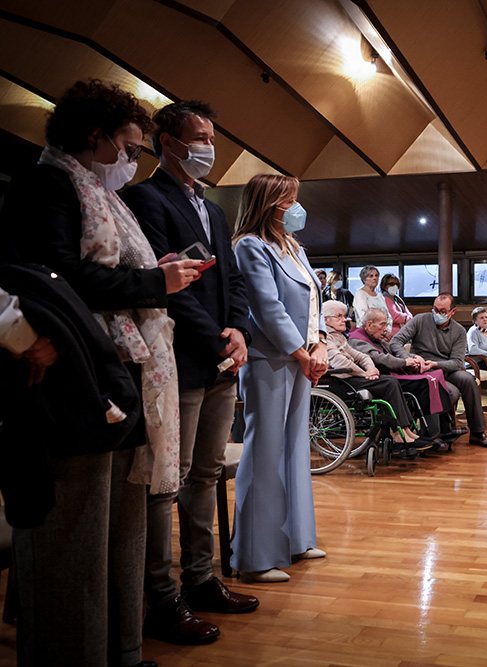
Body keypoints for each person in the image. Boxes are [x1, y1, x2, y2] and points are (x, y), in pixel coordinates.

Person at [0, 78, 201, 667]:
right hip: (72, 379)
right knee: (76, 542)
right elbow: (60, 277)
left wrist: (153, 271)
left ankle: (123, 649)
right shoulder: (48, 183)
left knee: (119, 531)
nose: (131, 161)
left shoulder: (97, 190)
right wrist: (153, 282)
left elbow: (104, 267)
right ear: (95, 136)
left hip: (120, 372)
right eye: (130, 148)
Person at [121, 99, 258, 645]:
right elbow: (165, 283)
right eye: (198, 136)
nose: (207, 147)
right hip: (178, 357)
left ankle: (201, 579)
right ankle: (161, 598)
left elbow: (232, 279)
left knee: (204, 476)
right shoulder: (143, 197)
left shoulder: (215, 208)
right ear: (167, 141)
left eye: (211, 137)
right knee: (165, 483)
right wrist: (216, 336)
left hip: (223, 357)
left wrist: (240, 329)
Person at [231, 173, 327, 583]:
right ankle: (254, 556)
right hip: (269, 359)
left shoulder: (295, 248)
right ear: (269, 204)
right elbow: (267, 307)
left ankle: (294, 538)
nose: (297, 208)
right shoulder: (250, 246)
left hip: (304, 358)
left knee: (293, 449)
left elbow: (315, 300)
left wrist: (320, 343)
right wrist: (302, 352)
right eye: (290, 200)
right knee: (266, 453)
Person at [390, 293, 487, 448]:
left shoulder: (459, 331)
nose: (437, 314)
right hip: (422, 370)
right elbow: (395, 342)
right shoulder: (420, 320)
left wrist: (435, 364)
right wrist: (410, 358)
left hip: (445, 368)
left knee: (468, 380)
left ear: (452, 312)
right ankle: (440, 432)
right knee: (452, 392)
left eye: (442, 311)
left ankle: (477, 433)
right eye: (435, 309)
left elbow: (456, 362)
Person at [323, 300, 431, 456]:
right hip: (341, 380)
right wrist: (364, 373)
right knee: (389, 382)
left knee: (389, 380)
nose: (344, 319)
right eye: (339, 316)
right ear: (326, 320)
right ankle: (399, 432)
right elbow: (340, 362)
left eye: (344, 316)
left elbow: (359, 356)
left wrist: (371, 367)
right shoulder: (325, 337)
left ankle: (405, 429)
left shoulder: (338, 336)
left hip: (351, 376)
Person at [348, 308, 455, 444]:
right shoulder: (358, 340)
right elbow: (380, 359)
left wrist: (413, 357)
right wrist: (405, 362)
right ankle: (430, 433)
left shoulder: (375, 337)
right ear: (369, 325)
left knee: (433, 377)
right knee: (424, 384)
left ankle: (443, 430)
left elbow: (392, 351)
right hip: (380, 377)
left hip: (391, 373)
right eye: (382, 324)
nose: (385, 329)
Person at [381, 273, 413, 338]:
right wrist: (405, 316)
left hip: (402, 334)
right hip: (391, 335)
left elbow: (410, 317)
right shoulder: (383, 299)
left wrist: (405, 317)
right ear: (384, 286)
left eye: (397, 284)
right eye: (391, 284)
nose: (395, 286)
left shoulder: (398, 300)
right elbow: (394, 316)